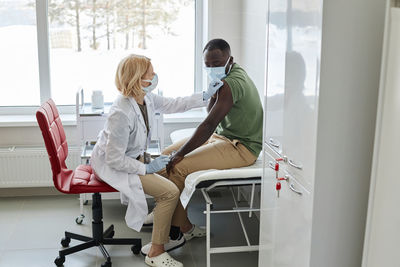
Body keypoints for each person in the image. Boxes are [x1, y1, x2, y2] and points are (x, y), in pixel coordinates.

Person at [140, 38, 264, 254]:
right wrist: (212, 93)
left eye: (217, 63)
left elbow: (207, 125)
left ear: (229, 59)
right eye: (208, 65)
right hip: (223, 137)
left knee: (177, 166)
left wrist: (181, 154)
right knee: (162, 159)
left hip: (242, 147)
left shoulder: (231, 83)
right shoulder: (226, 76)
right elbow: (210, 113)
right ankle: (172, 216)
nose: (212, 68)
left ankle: (176, 231)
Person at [90, 54, 216, 267]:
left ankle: (175, 228)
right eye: (151, 73)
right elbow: (114, 159)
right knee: (169, 192)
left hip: (131, 158)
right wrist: (147, 167)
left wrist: (205, 96)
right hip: (114, 165)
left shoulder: (145, 98)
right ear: (139, 79)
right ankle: (156, 253)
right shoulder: (120, 112)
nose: (155, 76)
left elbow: (174, 104)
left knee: (171, 175)